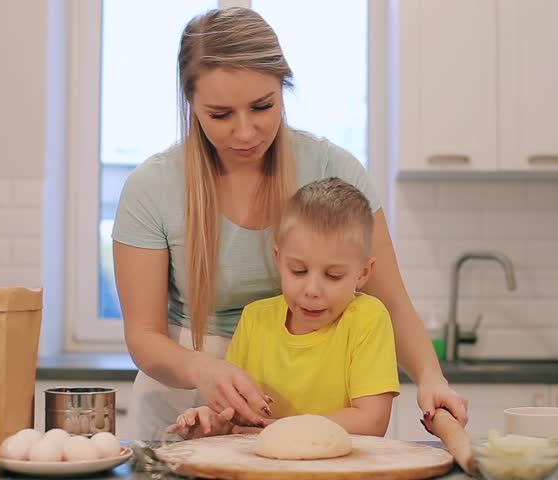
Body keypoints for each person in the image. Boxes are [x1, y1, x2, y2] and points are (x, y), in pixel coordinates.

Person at [112, 6, 467, 441]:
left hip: (322, 396)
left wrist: (432, 378)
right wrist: (203, 368)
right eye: (220, 115)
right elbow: (144, 335)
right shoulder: (152, 187)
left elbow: (391, 303)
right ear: (191, 103)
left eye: (263, 106)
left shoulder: (329, 167)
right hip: (189, 394)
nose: (245, 132)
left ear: (283, 86)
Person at [167, 178, 399, 439]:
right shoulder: (256, 319)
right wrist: (213, 423)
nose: (312, 289)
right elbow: (237, 414)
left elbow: (372, 421)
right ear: (278, 258)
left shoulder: (368, 318)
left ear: (363, 273)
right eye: (298, 271)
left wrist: (282, 428)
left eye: (333, 275)